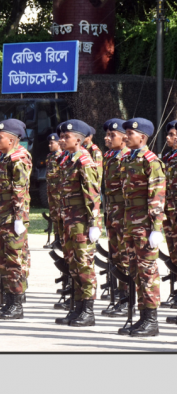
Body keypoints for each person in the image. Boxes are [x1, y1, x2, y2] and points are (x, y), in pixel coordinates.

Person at [118, 118, 165, 337]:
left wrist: (156, 227)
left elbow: (156, 195)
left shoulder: (151, 160)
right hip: (131, 222)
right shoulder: (127, 158)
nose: (125, 136)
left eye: (129, 133)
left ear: (142, 137)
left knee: (148, 271)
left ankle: (151, 320)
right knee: (136, 270)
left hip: (145, 224)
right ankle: (142, 316)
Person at [54, 120, 101, 328]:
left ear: (79, 140)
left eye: (66, 137)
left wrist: (94, 223)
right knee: (73, 264)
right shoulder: (66, 160)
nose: (62, 140)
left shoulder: (84, 161)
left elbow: (92, 195)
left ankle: (88, 311)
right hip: (69, 219)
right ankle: (78, 307)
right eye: (61, 136)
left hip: (81, 220)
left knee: (84, 264)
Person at [0, 119, 31, 320]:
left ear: (12, 140)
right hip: (1, 214)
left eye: (0, 138)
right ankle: (7, 301)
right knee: (3, 259)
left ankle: (17, 304)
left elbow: (19, 190)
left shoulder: (18, 159)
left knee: (14, 260)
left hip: (13, 216)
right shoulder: (2, 158)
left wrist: (19, 218)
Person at [100, 119, 131, 317]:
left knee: (126, 257)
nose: (107, 138)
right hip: (112, 212)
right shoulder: (110, 157)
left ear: (124, 137)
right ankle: (120, 296)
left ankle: (128, 299)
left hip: (126, 214)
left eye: (112, 135)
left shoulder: (128, 157)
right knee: (116, 256)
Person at [164, 121, 177, 316]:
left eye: (173, 134)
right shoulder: (167, 157)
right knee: (174, 254)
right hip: (169, 212)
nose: (168, 137)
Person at [46, 133, 63, 247]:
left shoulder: (62, 156)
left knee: (59, 214)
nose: (49, 145)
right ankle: (56, 238)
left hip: (58, 190)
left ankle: (61, 238)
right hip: (51, 189)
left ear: (58, 143)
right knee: (53, 214)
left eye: (52, 143)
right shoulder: (50, 156)